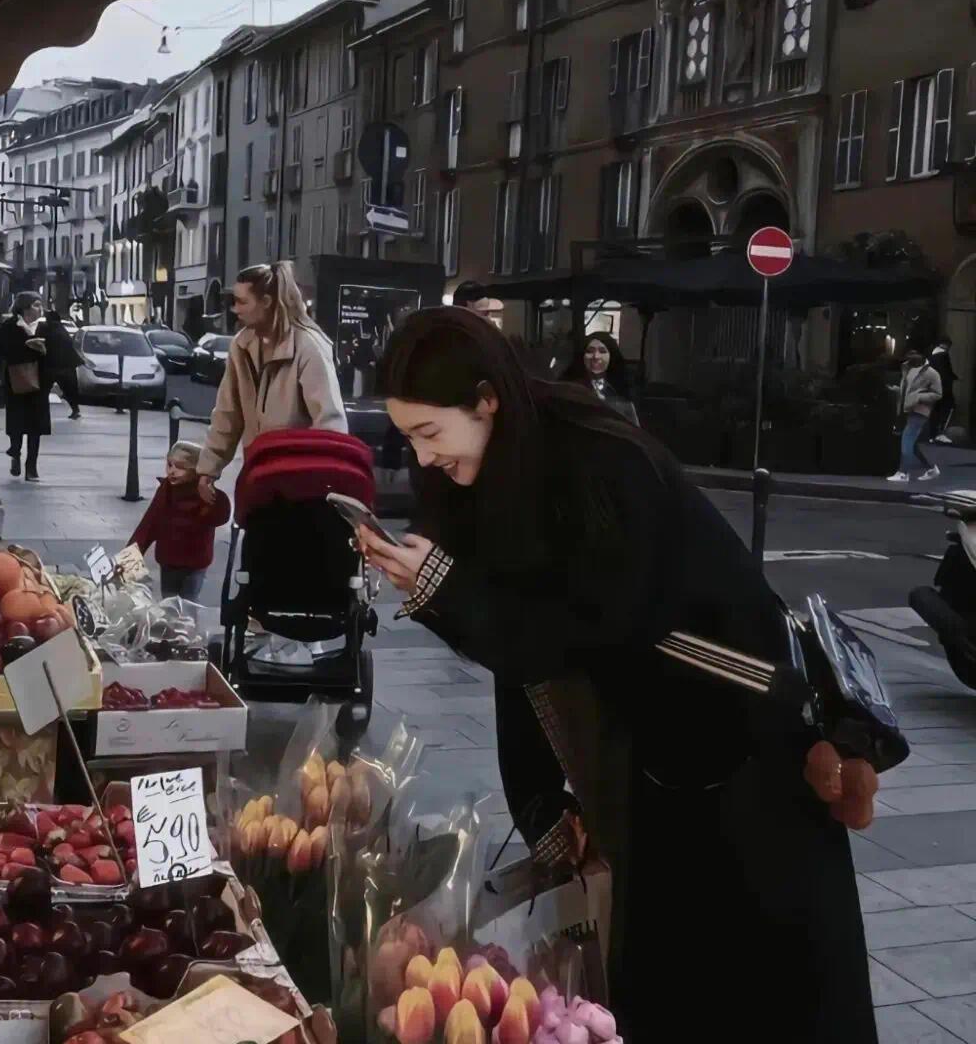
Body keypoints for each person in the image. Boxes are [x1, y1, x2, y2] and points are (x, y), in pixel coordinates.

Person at [359, 307, 878, 1044]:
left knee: (770, 989)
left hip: (745, 750)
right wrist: (540, 805)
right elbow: (525, 648)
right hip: (660, 762)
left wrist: (444, 587)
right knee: (658, 982)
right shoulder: (500, 471)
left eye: (430, 433)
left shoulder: (602, 462)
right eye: (408, 437)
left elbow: (576, 631)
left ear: (487, 400)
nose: (422, 457)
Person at [196, 261, 348, 503]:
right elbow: (227, 412)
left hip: (300, 486)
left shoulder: (308, 346)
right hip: (258, 476)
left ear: (266, 302)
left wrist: (321, 484)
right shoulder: (241, 345)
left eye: (242, 302)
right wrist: (208, 468)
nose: (235, 309)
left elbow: (330, 421)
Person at [129, 441, 231, 600]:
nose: (172, 471)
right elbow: (150, 523)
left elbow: (220, 515)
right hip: (169, 559)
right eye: (169, 465)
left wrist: (210, 491)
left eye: (180, 467)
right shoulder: (166, 490)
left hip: (194, 562)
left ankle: (187, 624)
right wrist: (130, 556)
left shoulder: (204, 494)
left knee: (188, 604)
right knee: (169, 603)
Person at [0, 292, 50, 482]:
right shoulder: (10, 326)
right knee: (17, 424)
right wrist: (27, 346)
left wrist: (44, 351)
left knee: (36, 427)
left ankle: (32, 467)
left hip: (39, 383)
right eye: (36, 305)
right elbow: (2, 352)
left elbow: (57, 351)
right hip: (16, 381)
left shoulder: (45, 327)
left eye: (40, 305)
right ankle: (15, 454)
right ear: (25, 307)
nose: (39, 308)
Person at [563, 332, 640, 426]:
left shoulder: (621, 393)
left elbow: (634, 432)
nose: (596, 356)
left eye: (602, 351)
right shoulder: (569, 388)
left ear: (612, 356)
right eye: (590, 351)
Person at [889, 348, 942, 483]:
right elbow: (908, 390)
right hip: (906, 409)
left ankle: (903, 473)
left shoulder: (931, 373)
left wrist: (919, 397)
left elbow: (937, 394)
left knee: (907, 441)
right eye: (909, 354)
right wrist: (898, 391)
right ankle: (932, 468)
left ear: (921, 356)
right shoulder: (906, 369)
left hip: (920, 410)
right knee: (912, 444)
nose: (911, 357)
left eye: (915, 354)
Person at [42, 310, 83, 420]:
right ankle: (75, 409)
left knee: (44, 389)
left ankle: (40, 411)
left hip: (54, 366)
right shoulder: (62, 329)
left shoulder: (49, 329)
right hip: (66, 366)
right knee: (69, 390)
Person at [929, 336, 957, 444]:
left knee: (935, 411)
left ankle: (933, 434)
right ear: (946, 344)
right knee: (946, 408)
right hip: (943, 387)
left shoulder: (932, 355)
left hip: (933, 387)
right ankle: (940, 433)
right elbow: (945, 372)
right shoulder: (943, 355)